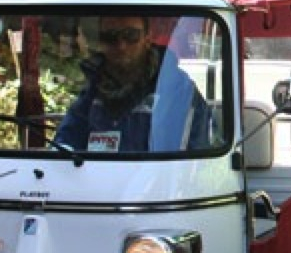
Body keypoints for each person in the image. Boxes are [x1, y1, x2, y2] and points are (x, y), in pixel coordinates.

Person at [53, 15, 216, 153]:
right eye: (110, 37)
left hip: (156, 187)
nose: (121, 45)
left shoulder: (176, 89)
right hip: (97, 185)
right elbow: (67, 140)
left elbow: (196, 156)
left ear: (147, 37)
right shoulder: (93, 91)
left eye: (131, 35)